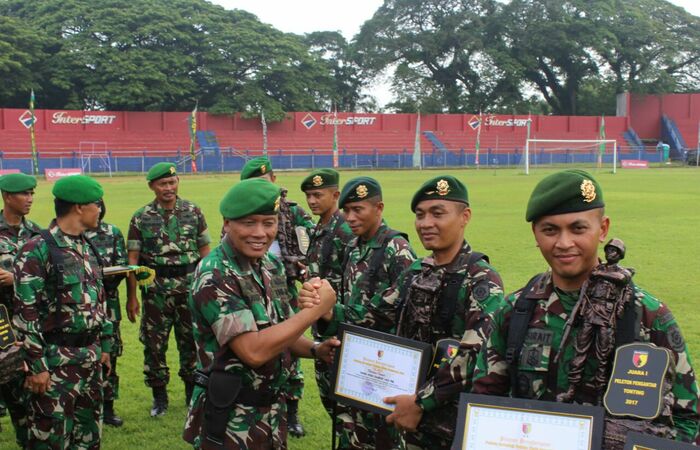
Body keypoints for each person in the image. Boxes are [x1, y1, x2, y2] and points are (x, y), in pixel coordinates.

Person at [471, 169, 700, 445]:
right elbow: (482, 404)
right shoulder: (516, 311)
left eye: (578, 228)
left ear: (602, 229)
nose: (564, 243)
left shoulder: (647, 316)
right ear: (535, 233)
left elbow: (689, 422)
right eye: (550, 230)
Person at [301, 175, 505, 450]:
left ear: (464, 216)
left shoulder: (481, 278)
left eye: (438, 213)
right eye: (420, 215)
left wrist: (422, 402)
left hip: (445, 422)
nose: (426, 223)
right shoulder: (417, 271)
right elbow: (374, 315)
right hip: (403, 414)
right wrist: (326, 310)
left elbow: (475, 354)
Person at [182, 178, 340, 449]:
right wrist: (315, 311)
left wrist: (315, 349)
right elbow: (253, 351)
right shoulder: (215, 273)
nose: (260, 233)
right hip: (230, 417)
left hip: (270, 414)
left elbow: (279, 330)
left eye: (269, 223)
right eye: (248, 223)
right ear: (227, 223)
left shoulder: (269, 264)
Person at [315, 176, 416, 450]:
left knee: (381, 436)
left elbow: (397, 309)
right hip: (355, 358)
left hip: (385, 364)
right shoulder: (353, 247)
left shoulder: (397, 249)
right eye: (346, 210)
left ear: (379, 208)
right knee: (351, 430)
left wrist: (331, 313)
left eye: (358, 209)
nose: (350, 217)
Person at [13, 175, 113, 449]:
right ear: (79, 207)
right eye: (97, 204)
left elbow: (98, 300)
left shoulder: (87, 246)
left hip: (90, 362)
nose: (100, 210)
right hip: (55, 366)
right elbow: (26, 313)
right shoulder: (38, 249)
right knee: (51, 441)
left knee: (89, 440)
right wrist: (36, 367)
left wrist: (104, 345)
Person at [236, 156, 315, 437]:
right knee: (258, 341)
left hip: (283, 286)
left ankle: (291, 413)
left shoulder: (294, 212)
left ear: (274, 178)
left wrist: (304, 271)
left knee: (289, 342)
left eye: (263, 181)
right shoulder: (239, 213)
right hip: (249, 287)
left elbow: (312, 247)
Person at [126, 162, 211, 417]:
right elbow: (132, 260)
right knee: (154, 346)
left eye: (172, 182)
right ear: (152, 186)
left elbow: (206, 254)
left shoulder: (193, 212)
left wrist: (207, 290)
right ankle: (159, 398)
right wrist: (132, 297)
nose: (168, 188)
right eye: (162, 184)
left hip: (189, 291)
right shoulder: (141, 217)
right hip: (156, 293)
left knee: (191, 344)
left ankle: (190, 394)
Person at [300, 168, 354, 418]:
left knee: (343, 400)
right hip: (321, 321)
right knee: (327, 392)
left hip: (339, 324)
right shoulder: (319, 226)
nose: (312, 201)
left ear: (336, 195)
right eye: (309, 195)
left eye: (318, 195)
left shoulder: (345, 231)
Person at [0, 173, 40, 446]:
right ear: (6, 197)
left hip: (24, 326)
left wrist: (17, 278)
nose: (29, 199)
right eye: (24, 194)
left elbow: (46, 278)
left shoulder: (37, 234)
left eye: (32, 193)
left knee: (25, 400)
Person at [85, 199, 128, 427]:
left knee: (110, 355)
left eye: (100, 205)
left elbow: (122, 265)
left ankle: (108, 408)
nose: (98, 209)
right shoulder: (73, 234)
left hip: (108, 305)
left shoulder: (112, 232)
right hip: (80, 307)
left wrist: (102, 281)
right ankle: (85, 406)